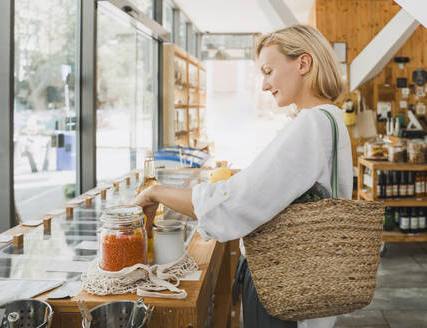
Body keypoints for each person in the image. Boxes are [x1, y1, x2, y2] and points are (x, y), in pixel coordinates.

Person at [134, 24, 353, 328]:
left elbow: (236, 203)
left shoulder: (311, 125)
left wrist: (157, 192)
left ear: (303, 63)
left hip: (281, 286)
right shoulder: (332, 119)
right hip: (304, 281)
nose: (265, 85)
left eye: (269, 71)